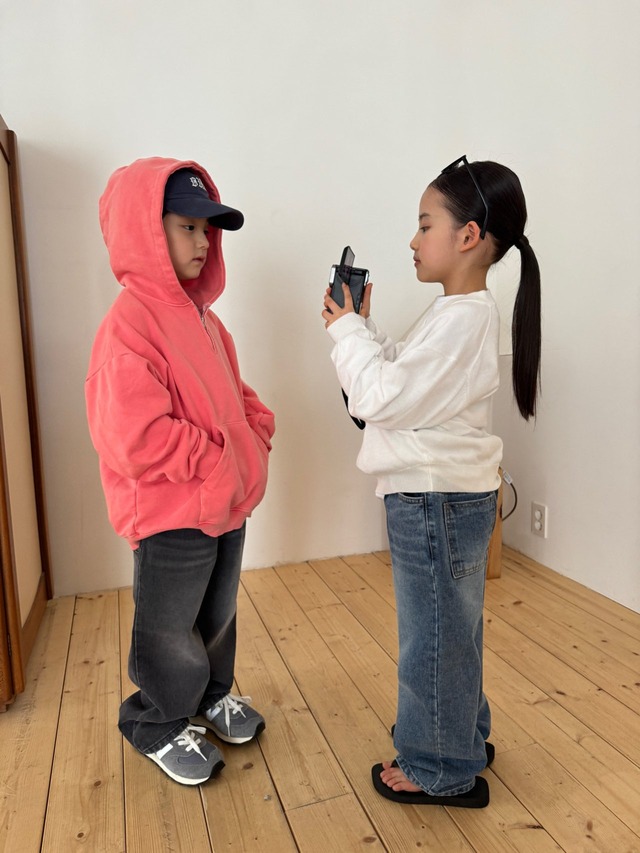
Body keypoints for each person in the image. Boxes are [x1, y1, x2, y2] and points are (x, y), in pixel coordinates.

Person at [322, 155, 541, 808]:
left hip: (433, 499)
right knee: (454, 628)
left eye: (424, 225)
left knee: (434, 636)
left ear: (468, 235)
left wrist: (345, 331)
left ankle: (439, 765)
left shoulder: (463, 319)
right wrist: (362, 329)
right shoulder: (458, 314)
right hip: (447, 496)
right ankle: (458, 735)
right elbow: (406, 381)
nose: (413, 240)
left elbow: (381, 397)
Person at [86, 157, 275, 786]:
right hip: (170, 515)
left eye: (207, 230)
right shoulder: (128, 327)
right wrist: (218, 457)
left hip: (225, 504)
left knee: (217, 614)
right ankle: (158, 720)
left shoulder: (205, 320)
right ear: (146, 231)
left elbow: (233, 395)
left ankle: (210, 696)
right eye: (187, 227)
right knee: (168, 628)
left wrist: (255, 431)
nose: (202, 242)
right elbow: (133, 436)